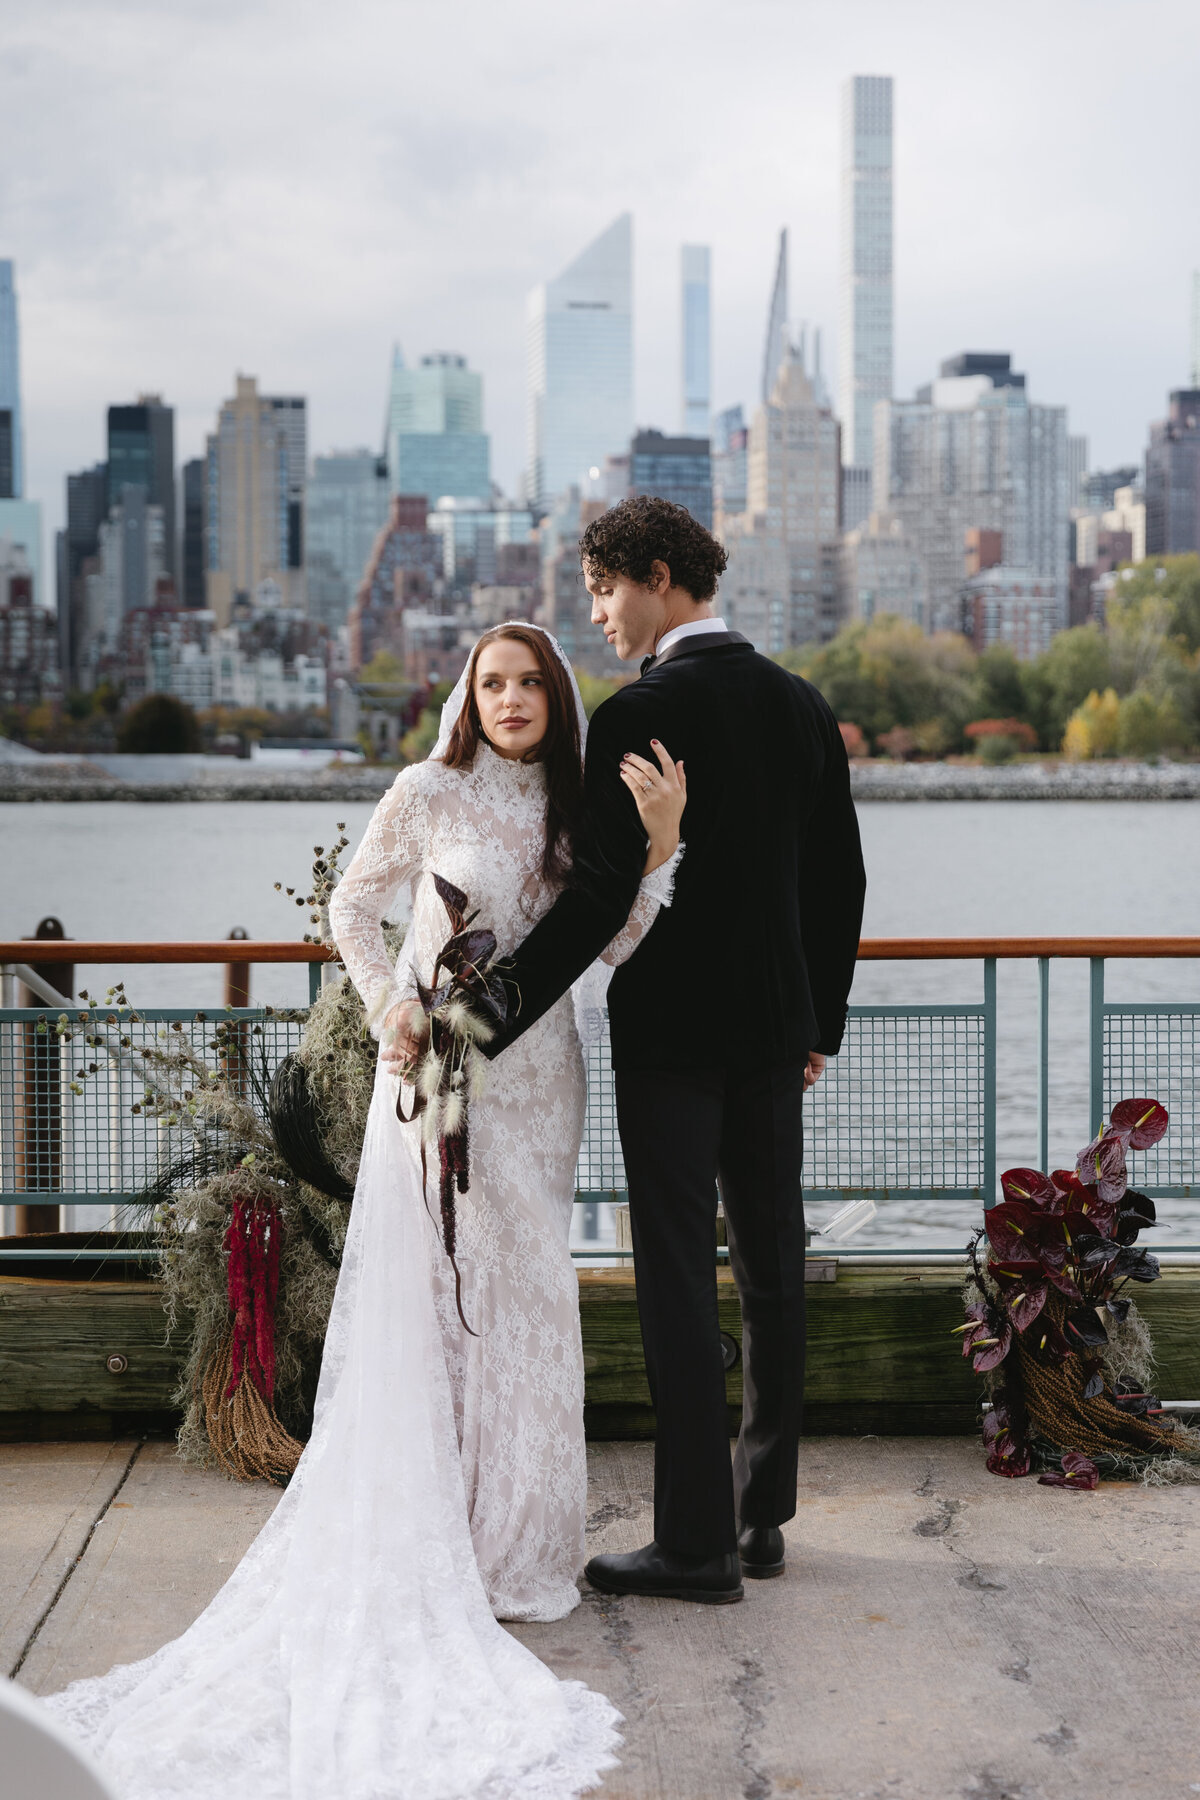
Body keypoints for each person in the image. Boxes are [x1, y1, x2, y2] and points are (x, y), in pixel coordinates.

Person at [42, 621, 685, 1800]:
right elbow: (353, 907)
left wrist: (659, 853)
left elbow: (606, 950)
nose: (511, 699)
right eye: (493, 683)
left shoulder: (580, 808)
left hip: (540, 1082)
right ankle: (439, 1542)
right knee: (441, 1296)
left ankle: (521, 1554)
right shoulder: (425, 789)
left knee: (532, 1291)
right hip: (437, 1067)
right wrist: (393, 1001)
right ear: (468, 696)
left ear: (556, 696)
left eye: (530, 682)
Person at [452, 497, 867, 1605]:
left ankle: (694, 1546)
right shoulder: (801, 705)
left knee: (679, 1273)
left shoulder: (645, 711)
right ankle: (759, 1515)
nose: (593, 613)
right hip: (777, 1035)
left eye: (602, 587)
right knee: (774, 1267)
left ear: (661, 573)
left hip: (675, 1038)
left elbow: (596, 903)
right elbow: (839, 884)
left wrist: (480, 1018)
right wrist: (817, 1021)